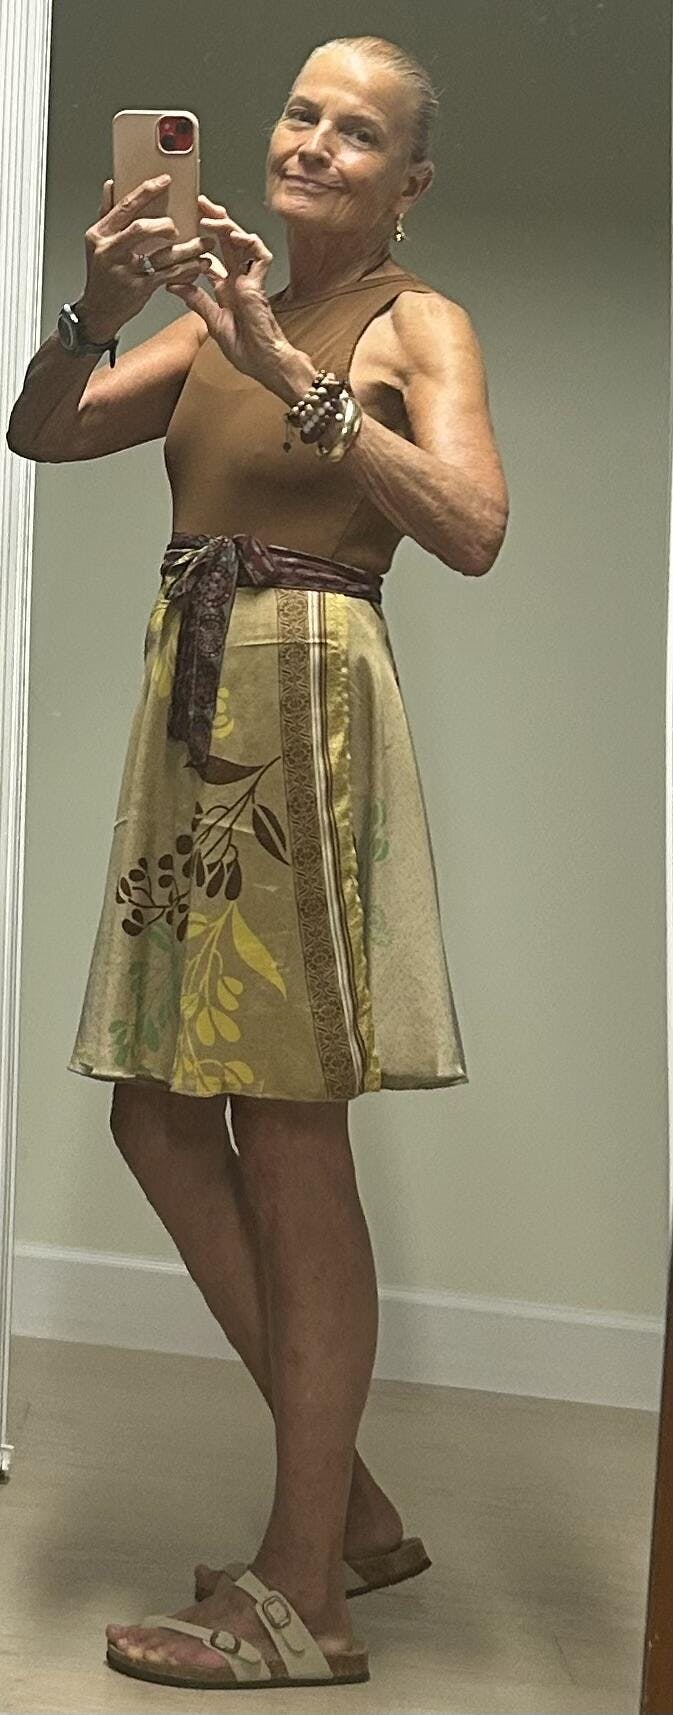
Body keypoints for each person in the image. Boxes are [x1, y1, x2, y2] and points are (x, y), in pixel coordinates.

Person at [7, 32, 508, 1695]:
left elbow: (470, 525)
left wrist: (284, 368)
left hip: (301, 704)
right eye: (300, 113)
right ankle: (342, 1503)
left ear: (407, 182)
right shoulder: (222, 309)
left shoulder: (412, 322)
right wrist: (99, 302)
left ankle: (305, 1597)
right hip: (193, 699)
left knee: (288, 1132)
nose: (310, 143)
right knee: (158, 1113)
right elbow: (42, 432)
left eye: (355, 132)